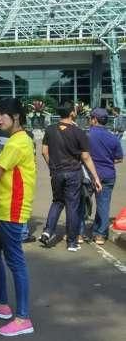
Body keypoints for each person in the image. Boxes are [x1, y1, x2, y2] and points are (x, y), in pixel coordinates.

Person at [0, 98, 36, 337]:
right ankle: (2, 303)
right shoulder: (18, 141)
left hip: (11, 208)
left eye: (2, 114)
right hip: (5, 207)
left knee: (15, 262)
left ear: (15, 117)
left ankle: (23, 317)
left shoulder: (17, 143)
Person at [40, 103, 102, 251]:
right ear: (72, 114)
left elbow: (44, 151)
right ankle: (72, 243)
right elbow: (86, 157)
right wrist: (95, 177)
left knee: (57, 201)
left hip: (56, 172)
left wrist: (52, 166)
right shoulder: (79, 132)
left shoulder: (49, 130)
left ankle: (48, 231)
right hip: (74, 172)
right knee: (72, 206)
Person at [87, 108, 123, 244]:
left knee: (82, 203)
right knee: (103, 204)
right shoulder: (113, 138)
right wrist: (108, 160)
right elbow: (119, 158)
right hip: (108, 174)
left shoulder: (88, 135)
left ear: (95, 119)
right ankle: (100, 235)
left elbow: (82, 155)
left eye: (91, 118)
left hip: (90, 175)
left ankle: (78, 233)